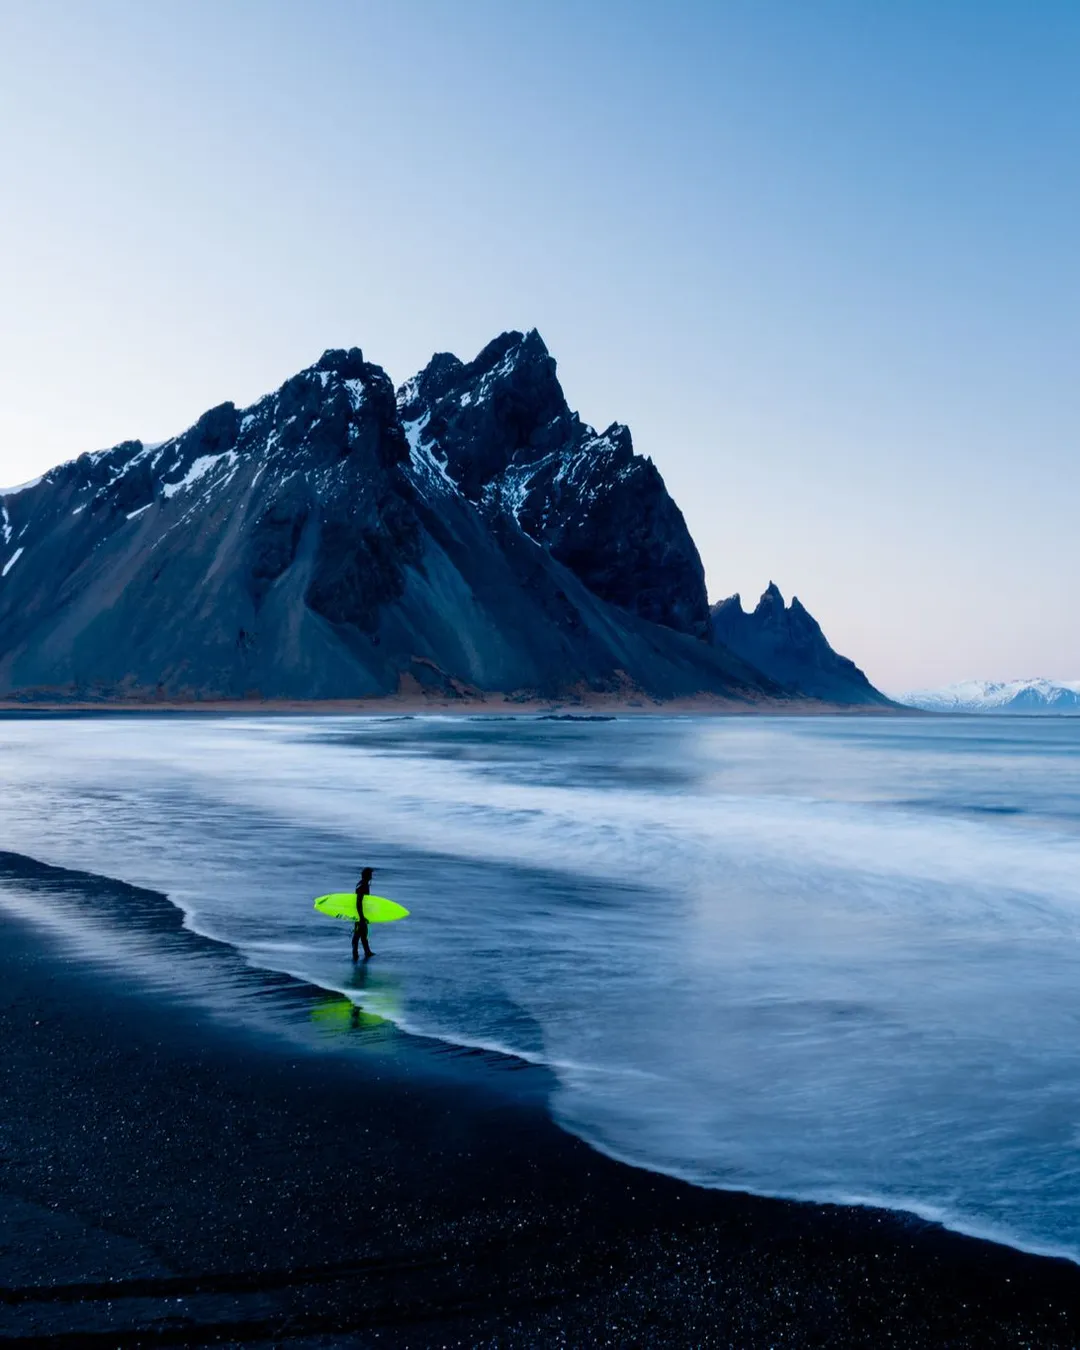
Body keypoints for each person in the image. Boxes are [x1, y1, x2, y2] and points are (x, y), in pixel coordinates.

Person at [352, 867, 375, 961]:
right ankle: (355, 954)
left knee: (363, 933)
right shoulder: (363, 886)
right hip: (360, 914)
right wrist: (361, 917)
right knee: (357, 934)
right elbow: (358, 902)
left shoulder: (362, 884)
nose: (372, 876)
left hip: (362, 913)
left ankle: (367, 952)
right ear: (367, 875)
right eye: (370, 874)